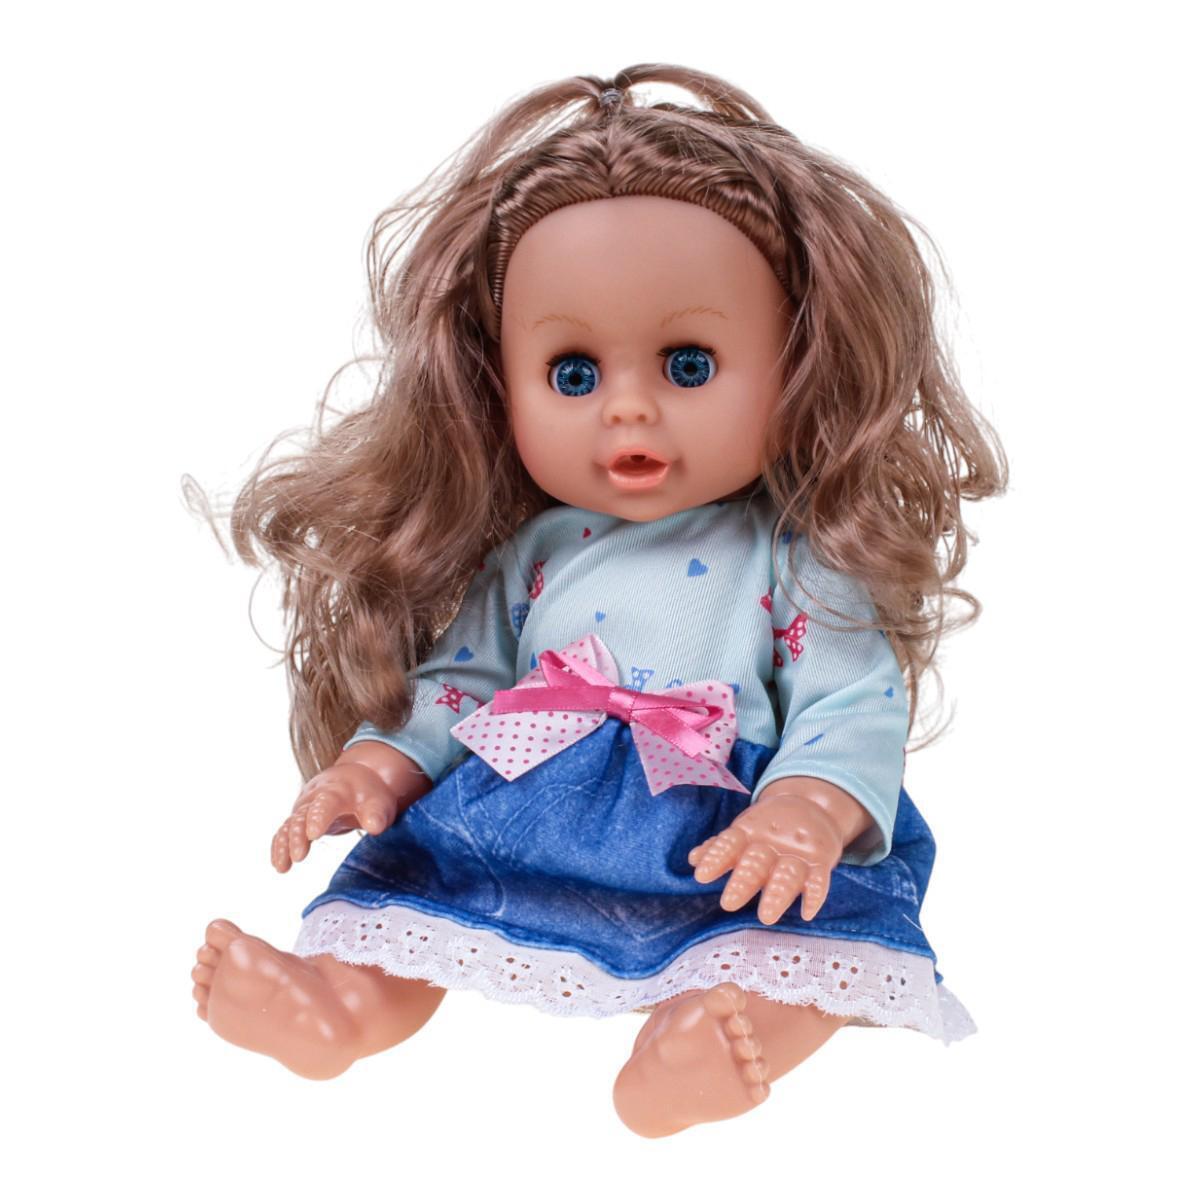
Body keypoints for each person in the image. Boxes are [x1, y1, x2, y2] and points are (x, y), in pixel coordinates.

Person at [191, 64, 1006, 1138]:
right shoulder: (534, 552)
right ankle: (338, 1008)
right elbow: (462, 683)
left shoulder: (796, 556)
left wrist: (805, 811)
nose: (627, 410)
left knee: (799, 945)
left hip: (718, 832)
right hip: (523, 805)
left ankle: (707, 1049)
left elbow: (848, 703)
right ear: (499, 383)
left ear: (796, 366)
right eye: (573, 374)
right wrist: (374, 765)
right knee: (414, 896)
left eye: (687, 364)